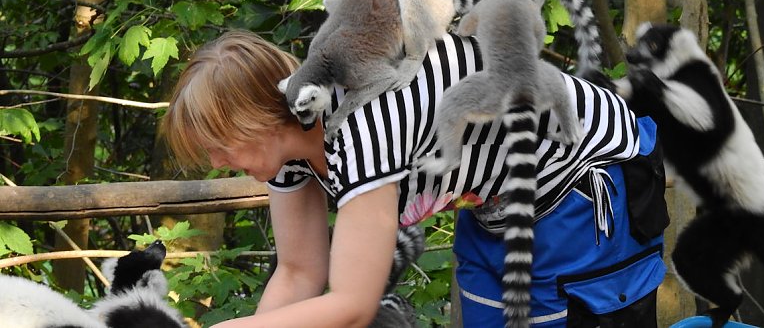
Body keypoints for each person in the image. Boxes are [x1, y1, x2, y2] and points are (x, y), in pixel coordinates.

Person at [162, 29, 668, 327]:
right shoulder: (287, 149)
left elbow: (354, 306)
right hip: (496, 200)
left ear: (255, 120)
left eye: (218, 144)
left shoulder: (362, 127)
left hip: (587, 176)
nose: (216, 162)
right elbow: (298, 272)